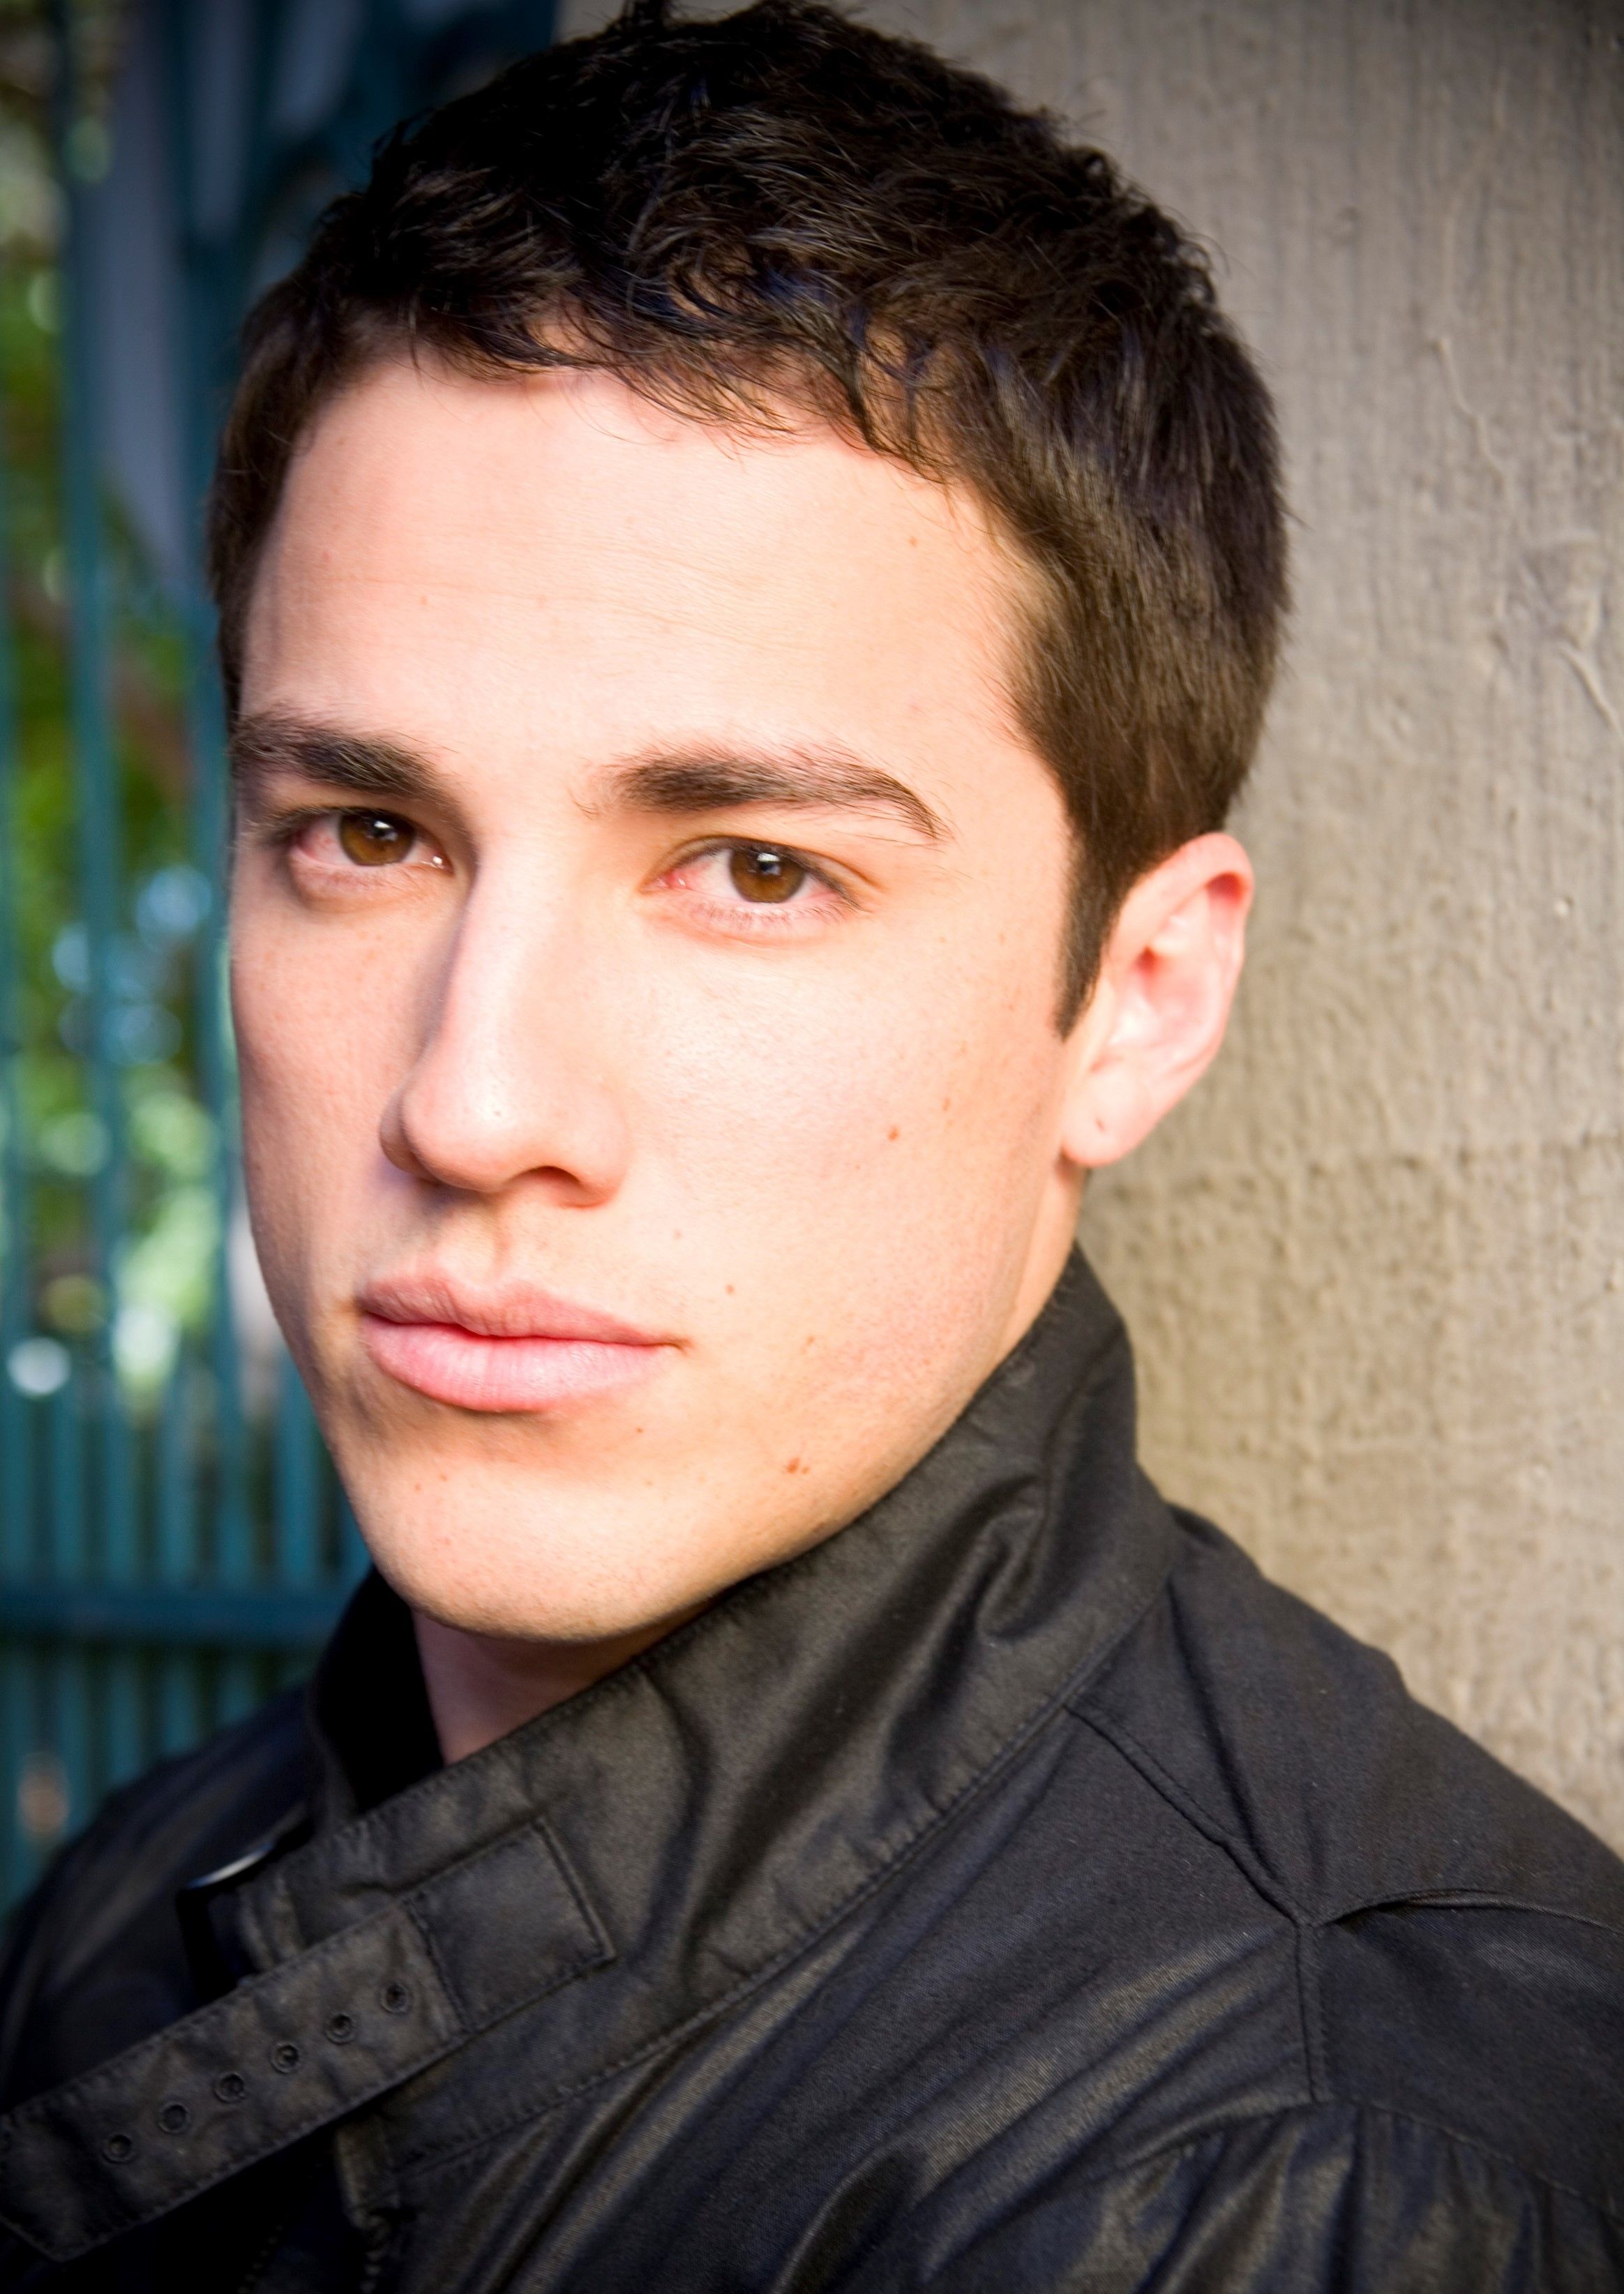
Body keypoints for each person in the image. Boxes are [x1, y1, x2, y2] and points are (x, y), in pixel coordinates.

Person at [1, 0, 1621, 2284]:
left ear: (1138, 1002)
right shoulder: (138, 1908)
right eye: (368, 832)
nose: (473, 1105)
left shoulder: (1306, 2175)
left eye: (756, 867)